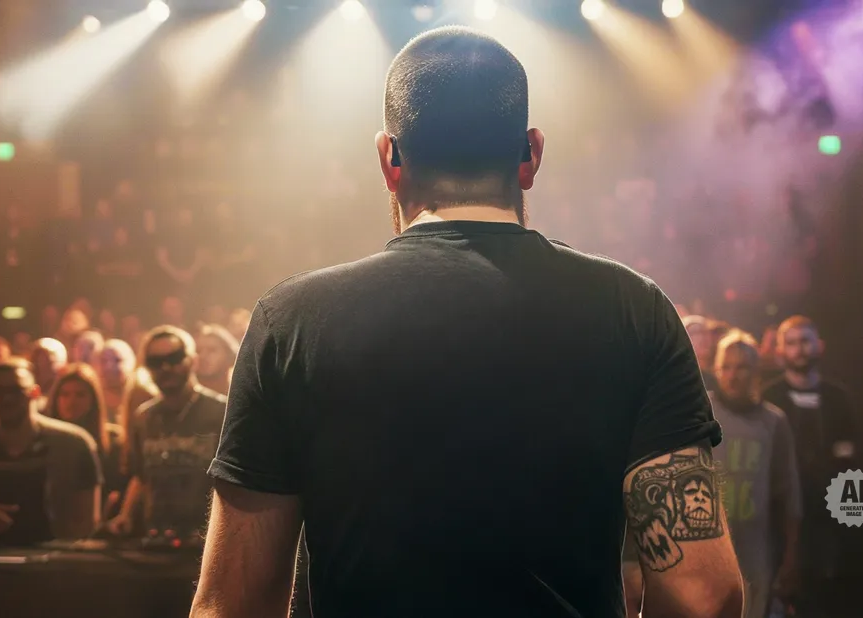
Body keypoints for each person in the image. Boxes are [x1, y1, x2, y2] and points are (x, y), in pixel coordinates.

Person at [192, 26, 742, 618]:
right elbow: (704, 593)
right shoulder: (635, 310)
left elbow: (234, 603)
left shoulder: (292, 322)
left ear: (388, 158)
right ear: (531, 153)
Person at [0, 359, 101, 547]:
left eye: (15, 390)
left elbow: (86, 523)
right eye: (0, 391)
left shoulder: (72, 444)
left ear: (34, 392)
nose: (7, 399)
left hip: (54, 567)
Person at [710, 331, 802, 618]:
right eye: (726, 366)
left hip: (754, 556)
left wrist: (791, 556)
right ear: (716, 370)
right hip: (704, 554)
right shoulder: (700, 410)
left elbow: (788, 492)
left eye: (742, 367)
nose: (733, 375)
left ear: (756, 371)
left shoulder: (773, 421)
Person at [761, 316, 855, 593]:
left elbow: (848, 461)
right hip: (780, 513)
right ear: (780, 351)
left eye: (805, 341)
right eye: (791, 343)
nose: (799, 349)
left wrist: (850, 518)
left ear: (819, 346)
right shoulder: (768, 397)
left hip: (828, 515)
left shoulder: (839, 398)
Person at [107, 326, 225, 538]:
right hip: (156, 538)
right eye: (155, 362)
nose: (165, 367)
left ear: (193, 361)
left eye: (174, 358)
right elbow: (140, 476)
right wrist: (125, 515)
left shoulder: (221, 412)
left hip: (206, 541)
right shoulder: (143, 417)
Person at [46, 364, 128, 520]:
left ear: (93, 400)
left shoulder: (114, 442)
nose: (72, 401)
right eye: (64, 394)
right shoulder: (44, 442)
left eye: (80, 395)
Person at [194, 325, 239, 397]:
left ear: (228, 355)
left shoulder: (241, 393)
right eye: (198, 351)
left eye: (211, 350)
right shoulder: (190, 396)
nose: (202, 356)